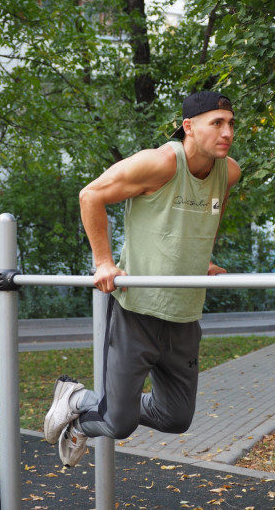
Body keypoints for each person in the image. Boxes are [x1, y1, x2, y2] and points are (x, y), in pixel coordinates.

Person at [44, 91, 241, 467]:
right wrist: (104, 263)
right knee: (118, 422)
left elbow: (212, 211)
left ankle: (85, 404)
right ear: (188, 126)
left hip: (185, 313)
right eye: (217, 123)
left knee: (176, 417)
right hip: (137, 311)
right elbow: (90, 195)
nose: (227, 132)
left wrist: (203, 258)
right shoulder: (160, 163)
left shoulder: (228, 171)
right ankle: (79, 403)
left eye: (231, 123)